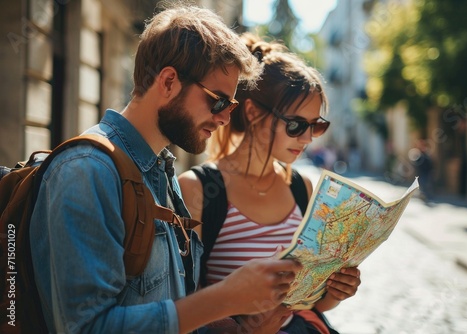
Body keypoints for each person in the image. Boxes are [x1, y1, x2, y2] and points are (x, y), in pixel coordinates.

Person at [29, 4, 303, 334]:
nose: (225, 117)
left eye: (231, 105)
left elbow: (169, 306)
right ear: (169, 81)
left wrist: (240, 327)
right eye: (218, 101)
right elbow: (88, 328)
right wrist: (223, 298)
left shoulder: (161, 171)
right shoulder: (88, 171)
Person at [179, 33, 361, 334]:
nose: (307, 138)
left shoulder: (302, 188)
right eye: (296, 125)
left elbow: (311, 305)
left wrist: (335, 292)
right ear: (252, 112)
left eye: (316, 125)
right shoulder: (197, 189)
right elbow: (180, 307)